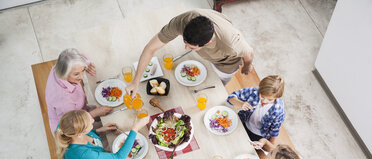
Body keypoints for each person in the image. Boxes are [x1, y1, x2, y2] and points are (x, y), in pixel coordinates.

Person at [126, 9, 254, 96]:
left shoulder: (231, 43)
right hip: (209, 54)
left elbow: (248, 52)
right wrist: (135, 81)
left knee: (215, 90)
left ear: (207, 43)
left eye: (191, 47)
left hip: (225, 65)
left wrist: (247, 65)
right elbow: (150, 48)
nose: (186, 48)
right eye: (185, 42)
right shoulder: (183, 21)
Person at [45, 48, 112, 133]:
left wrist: (85, 65)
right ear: (64, 73)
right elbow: (72, 124)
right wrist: (93, 114)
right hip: (70, 128)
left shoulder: (60, 65)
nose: (81, 76)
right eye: (76, 74)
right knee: (106, 128)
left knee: (102, 111)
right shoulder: (64, 101)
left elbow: (76, 57)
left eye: (83, 70)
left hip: (80, 110)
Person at [227, 75, 285, 143]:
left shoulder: (278, 110)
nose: (264, 101)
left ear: (277, 97)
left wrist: (269, 146)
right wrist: (241, 103)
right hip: (243, 122)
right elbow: (231, 98)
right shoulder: (254, 91)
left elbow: (274, 131)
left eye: (270, 100)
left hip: (258, 135)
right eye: (262, 96)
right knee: (229, 139)